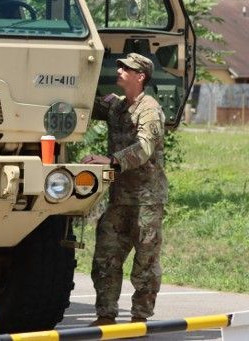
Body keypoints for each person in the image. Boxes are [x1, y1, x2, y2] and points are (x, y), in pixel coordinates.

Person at [82, 52, 167, 326]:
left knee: (145, 264)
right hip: (119, 199)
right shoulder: (116, 107)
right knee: (105, 257)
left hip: (146, 201)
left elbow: (144, 148)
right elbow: (83, 104)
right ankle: (105, 316)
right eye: (120, 66)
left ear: (140, 77)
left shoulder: (150, 109)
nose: (119, 70)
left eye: (126, 68)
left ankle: (139, 319)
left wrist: (111, 160)